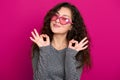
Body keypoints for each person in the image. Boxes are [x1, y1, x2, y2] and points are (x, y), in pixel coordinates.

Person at [30, 2, 91, 80]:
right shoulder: (40, 45)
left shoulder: (76, 49)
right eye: (55, 16)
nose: (57, 21)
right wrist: (44, 50)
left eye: (64, 19)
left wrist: (70, 54)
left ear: (71, 26)